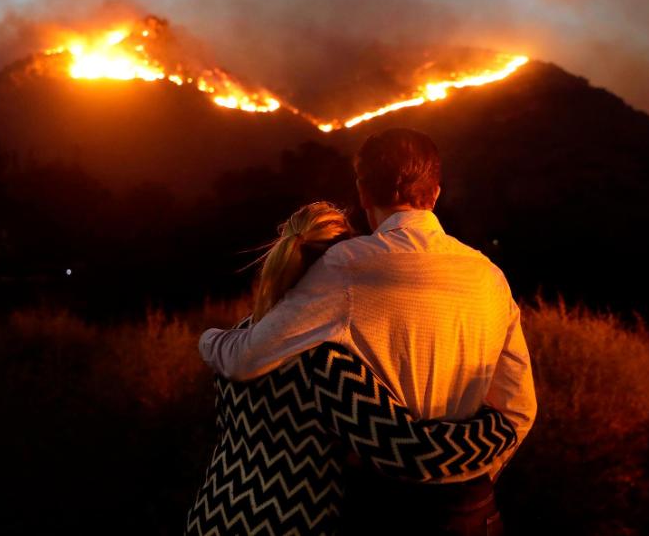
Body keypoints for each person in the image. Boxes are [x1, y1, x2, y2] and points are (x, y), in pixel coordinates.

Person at [199, 128, 537, 532]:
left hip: (382, 505)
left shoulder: (347, 266)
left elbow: (248, 359)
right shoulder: (489, 276)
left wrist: (208, 340)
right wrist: (472, 478)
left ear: (362, 192)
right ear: (435, 193)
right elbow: (518, 407)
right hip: (474, 509)